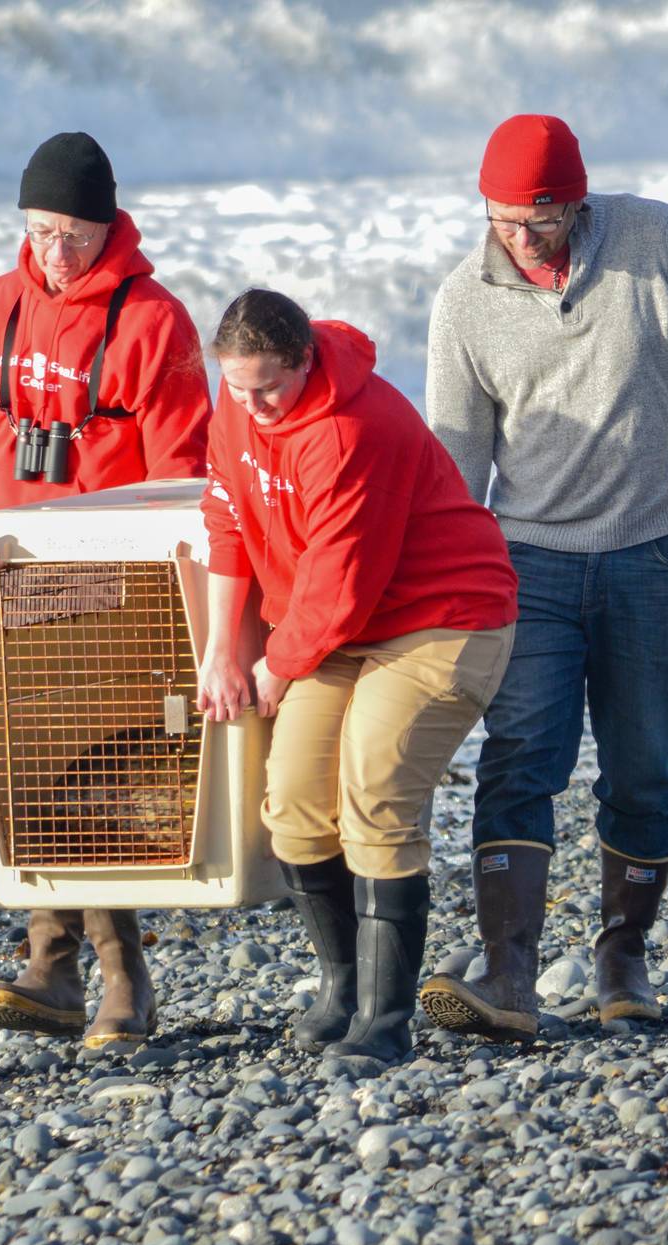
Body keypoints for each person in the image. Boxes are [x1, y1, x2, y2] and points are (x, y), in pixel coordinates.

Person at [418, 114, 668, 1039]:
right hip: (531, 561)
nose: (525, 238)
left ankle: (621, 956)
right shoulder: (462, 304)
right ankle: (509, 974)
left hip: (657, 548)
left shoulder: (653, 238)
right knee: (522, 755)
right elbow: (456, 459)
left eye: (544, 219)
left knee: (642, 767)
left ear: (578, 202)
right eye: (508, 220)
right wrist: (441, 587)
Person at [196, 289, 518, 1072]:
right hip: (337, 626)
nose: (250, 403)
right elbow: (227, 525)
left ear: (304, 360)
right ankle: (341, 988)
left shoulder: (350, 428)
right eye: (236, 386)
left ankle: (385, 1018)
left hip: (444, 615)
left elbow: (342, 585)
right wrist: (221, 650)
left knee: (374, 788)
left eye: (266, 385)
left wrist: (275, 667)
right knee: (295, 806)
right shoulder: (237, 409)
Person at [0, 131, 212, 1048]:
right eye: (42, 231)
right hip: (7, 578)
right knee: (14, 769)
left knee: (99, 769)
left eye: (77, 235)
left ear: (111, 227)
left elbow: (183, 471)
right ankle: (58, 969)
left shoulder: (154, 320)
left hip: (114, 583)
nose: (57, 254)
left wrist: (181, 606)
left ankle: (108, 974)